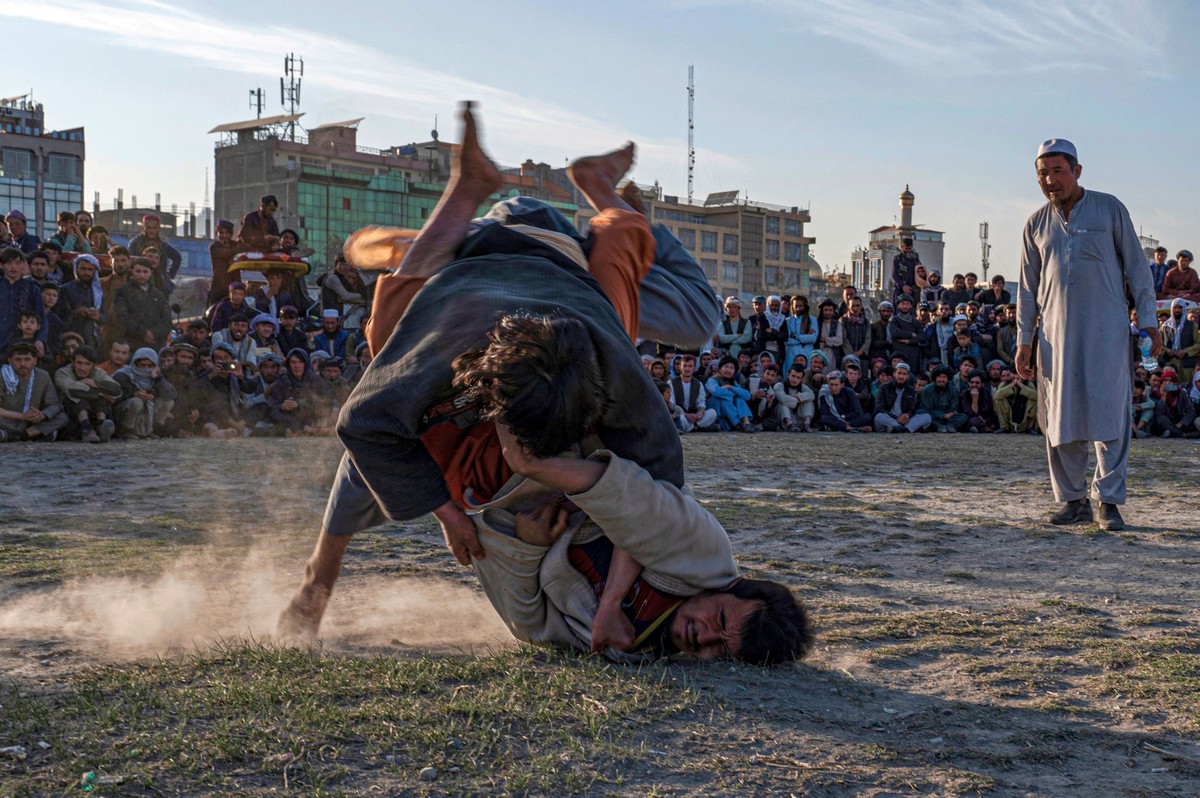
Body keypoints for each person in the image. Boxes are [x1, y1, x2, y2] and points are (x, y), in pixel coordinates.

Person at [278, 104, 808, 664]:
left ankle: (492, 201)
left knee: (390, 280)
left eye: (718, 647)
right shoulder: (438, 339)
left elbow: (649, 498)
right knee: (389, 330)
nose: (706, 636)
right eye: (722, 623)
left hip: (534, 295)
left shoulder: (609, 381)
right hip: (517, 257)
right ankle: (565, 194)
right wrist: (452, 512)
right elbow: (368, 428)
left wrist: (533, 550)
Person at [1016, 138, 1160, 531]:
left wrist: (1148, 321)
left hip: (1107, 333)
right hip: (1054, 338)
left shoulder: (1109, 208)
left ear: (1077, 171)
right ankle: (1073, 500)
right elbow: (1027, 289)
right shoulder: (1036, 224)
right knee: (1059, 420)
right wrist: (1023, 341)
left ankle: (1108, 502)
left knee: (1109, 416)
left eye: (1058, 171)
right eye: (1043, 173)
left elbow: (1138, 269)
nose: (1050, 180)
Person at [0, 341, 68, 442]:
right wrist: (22, 416)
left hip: (31, 423)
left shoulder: (43, 376)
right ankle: (37, 434)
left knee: (62, 417)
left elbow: (55, 404)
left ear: (35, 361)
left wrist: (42, 415)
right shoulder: (2, 375)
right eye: (17, 360)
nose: (22, 364)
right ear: (10, 361)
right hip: (7, 420)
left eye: (27, 359)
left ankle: (24, 435)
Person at [54, 344, 121, 442]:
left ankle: (100, 425)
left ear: (94, 365)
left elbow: (116, 390)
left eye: (87, 364)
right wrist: (100, 392)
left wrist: (94, 383)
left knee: (101, 401)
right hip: (72, 415)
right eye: (79, 363)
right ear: (73, 362)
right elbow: (72, 389)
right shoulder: (62, 373)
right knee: (78, 398)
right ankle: (86, 429)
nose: (82, 368)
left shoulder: (98, 373)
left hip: (93, 412)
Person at [1, 248, 46, 352]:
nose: (13, 267)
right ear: (2, 265)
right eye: (9, 263)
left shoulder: (31, 288)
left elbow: (41, 316)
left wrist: (40, 339)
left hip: (23, 341)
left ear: (23, 265)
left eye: (17, 263)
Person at [873, 362, 930, 433]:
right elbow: (879, 408)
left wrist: (907, 415)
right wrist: (896, 418)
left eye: (904, 374)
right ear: (894, 374)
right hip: (890, 418)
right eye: (899, 373)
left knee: (926, 417)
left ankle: (900, 429)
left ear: (908, 376)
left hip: (905, 420)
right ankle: (906, 429)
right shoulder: (884, 388)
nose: (901, 377)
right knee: (879, 417)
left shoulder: (911, 390)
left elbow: (911, 409)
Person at [127, 214, 182, 285]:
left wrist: (170, 274)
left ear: (159, 229)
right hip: (139, 279)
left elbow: (177, 257)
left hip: (159, 281)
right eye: (148, 228)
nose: (151, 231)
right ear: (143, 228)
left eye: (154, 228)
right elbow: (128, 260)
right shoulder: (135, 243)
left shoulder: (162, 245)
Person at [892, 237, 920, 304]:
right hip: (900, 289)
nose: (908, 250)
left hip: (913, 289)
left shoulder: (915, 256)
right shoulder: (897, 258)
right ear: (902, 247)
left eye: (910, 248)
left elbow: (919, 269)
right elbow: (894, 274)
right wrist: (903, 286)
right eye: (906, 248)